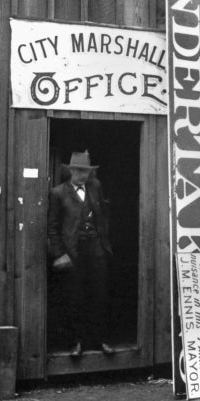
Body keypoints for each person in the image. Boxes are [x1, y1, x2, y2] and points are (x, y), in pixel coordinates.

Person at [47, 150, 113, 358]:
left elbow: (103, 214)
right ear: (71, 171)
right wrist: (59, 254)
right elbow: (52, 227)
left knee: (99, 294)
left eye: (86, 171)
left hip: (96, 249)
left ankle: (100, 340)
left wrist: (104, 242)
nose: (82, 175)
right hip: (73, 252)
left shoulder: (96, 187)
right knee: (75, 297)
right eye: (78, 170)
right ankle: (77, 343)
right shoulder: (58, 193)